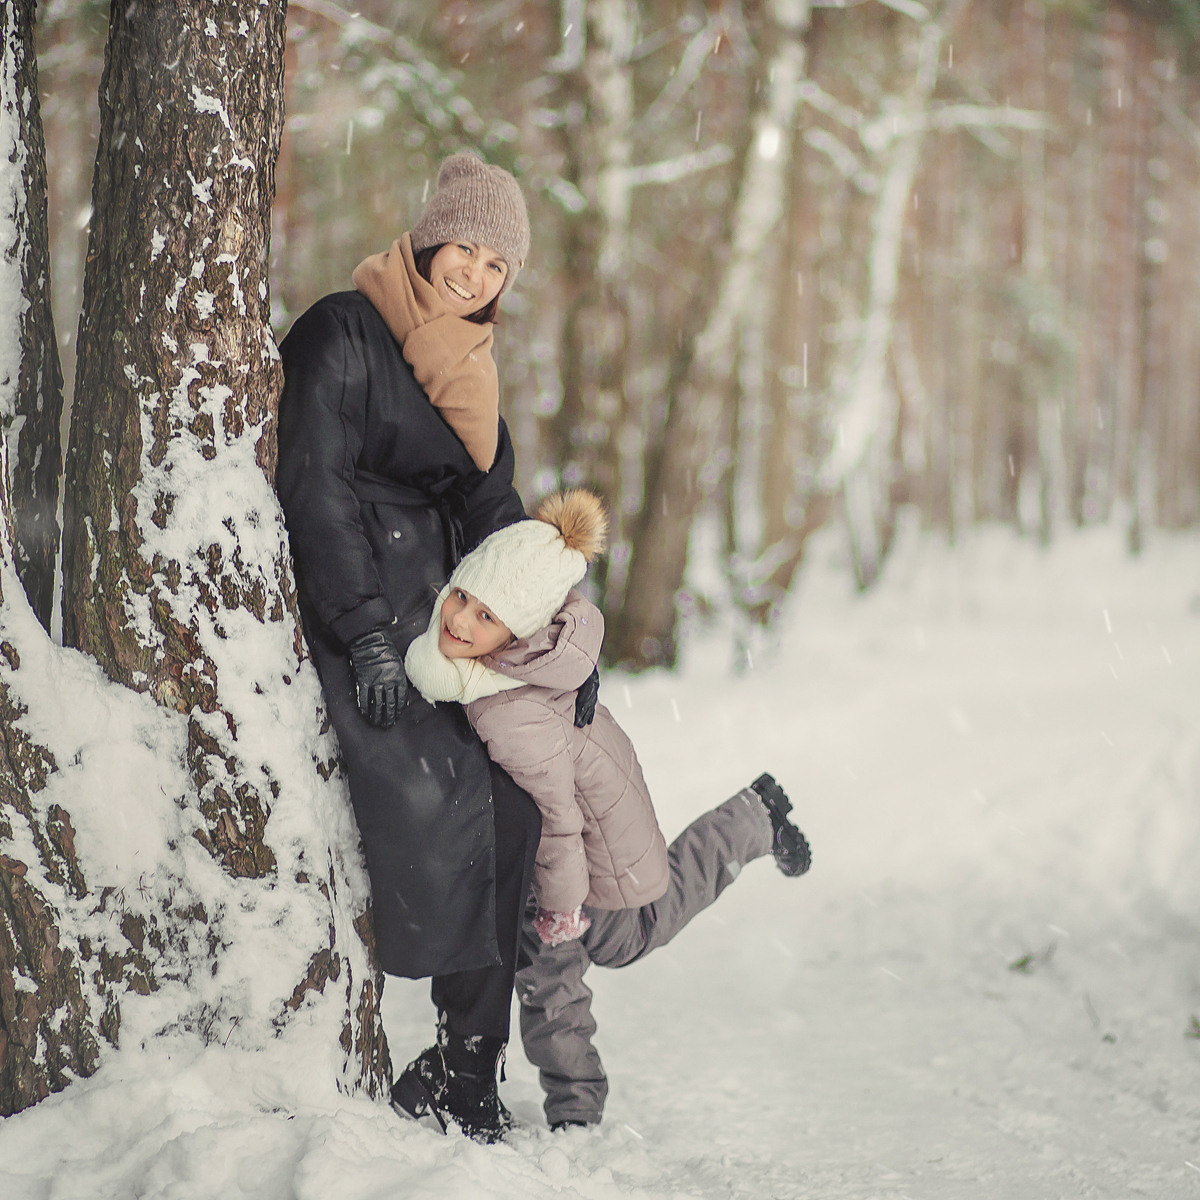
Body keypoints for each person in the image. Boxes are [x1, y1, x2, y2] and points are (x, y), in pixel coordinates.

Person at [276, 152, 583, 1144]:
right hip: (360, 619)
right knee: (442, 799)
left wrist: (554, 644)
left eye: (501, 265)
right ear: (430, 236)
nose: (479, 275)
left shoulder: (475, 372)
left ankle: (465, 1069)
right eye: (468, 249)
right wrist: (365, 634)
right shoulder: (343, 330)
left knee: (517, 800)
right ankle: (453, 1062)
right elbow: (315, 490)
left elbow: (501, 525)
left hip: (453, 627)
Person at [402, 489, 812, 1130]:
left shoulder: (510, 712)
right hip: (591, 808)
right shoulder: (506, 653)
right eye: (460, 598)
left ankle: (577, 1117)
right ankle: (754, 815)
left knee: (606, 951)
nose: (458, 620)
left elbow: (557, 820)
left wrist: (562, 910)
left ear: (516, 630)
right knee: (570, 975)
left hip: (577, 851)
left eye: (485, 616)